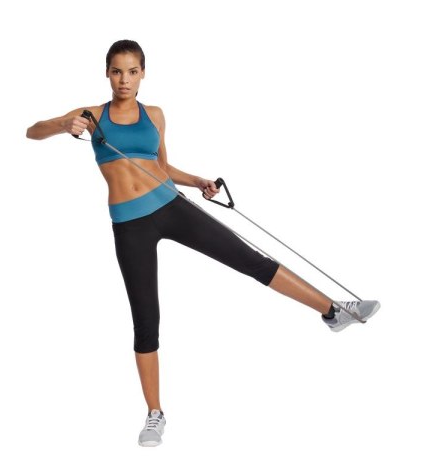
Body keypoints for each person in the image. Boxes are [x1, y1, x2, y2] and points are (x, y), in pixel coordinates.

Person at [26, 39, 380, 447]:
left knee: (250, 259)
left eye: (133, 71)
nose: (124, 79)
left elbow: (161, 166)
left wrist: (198, 181)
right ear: (107, 73)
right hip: (129, 224)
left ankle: (334, 311)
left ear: (143, 74)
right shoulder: (91, 116)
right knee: (146, 318)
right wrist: (62, 126)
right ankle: (155, 414)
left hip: (170, 204)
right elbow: (32, 131)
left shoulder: (155, 115)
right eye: (117, 71)